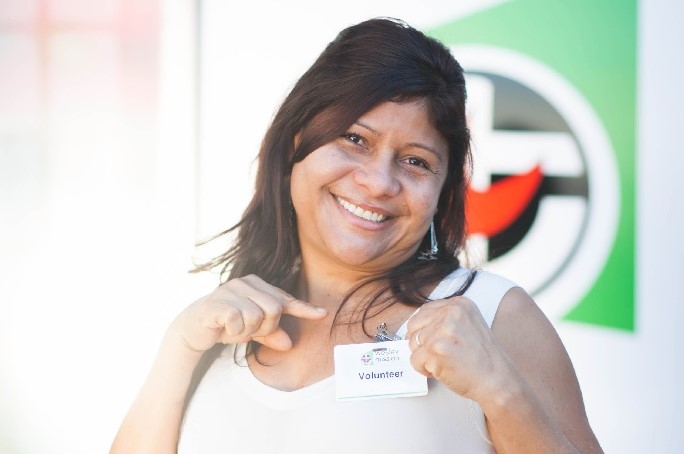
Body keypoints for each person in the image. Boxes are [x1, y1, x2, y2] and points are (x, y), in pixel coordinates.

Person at [110, 17, 603, 454]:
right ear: (296, 142)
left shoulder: (495, 316)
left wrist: (500, 389)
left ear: (442, 192)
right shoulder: (219, 327)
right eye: (355, 140)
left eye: (416, 161)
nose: (379, 183)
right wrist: (179, 347)